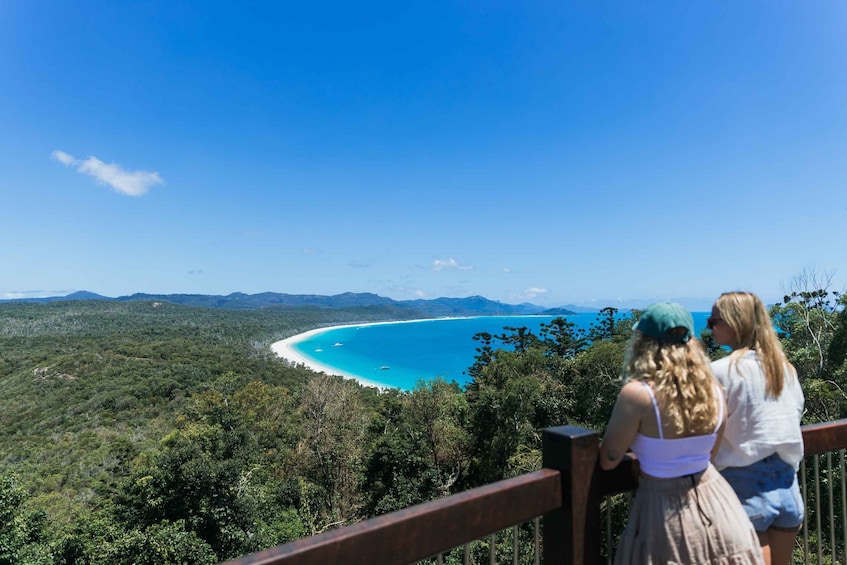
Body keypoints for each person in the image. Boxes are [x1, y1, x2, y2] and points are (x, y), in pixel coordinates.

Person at [599, 302, 763, 564]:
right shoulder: (715, 391)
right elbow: (710, 454)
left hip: (664, 511)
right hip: (719, 505)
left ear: (644, 344)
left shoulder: (639, 394)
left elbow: (608, 459)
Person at [709, 291, 805, 565]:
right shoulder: (784, 369)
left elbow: (709, 428)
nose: (709, 326)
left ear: (735, 322)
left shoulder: (720, 371)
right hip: (787, 486)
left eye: (714, 320)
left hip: (744, 488)